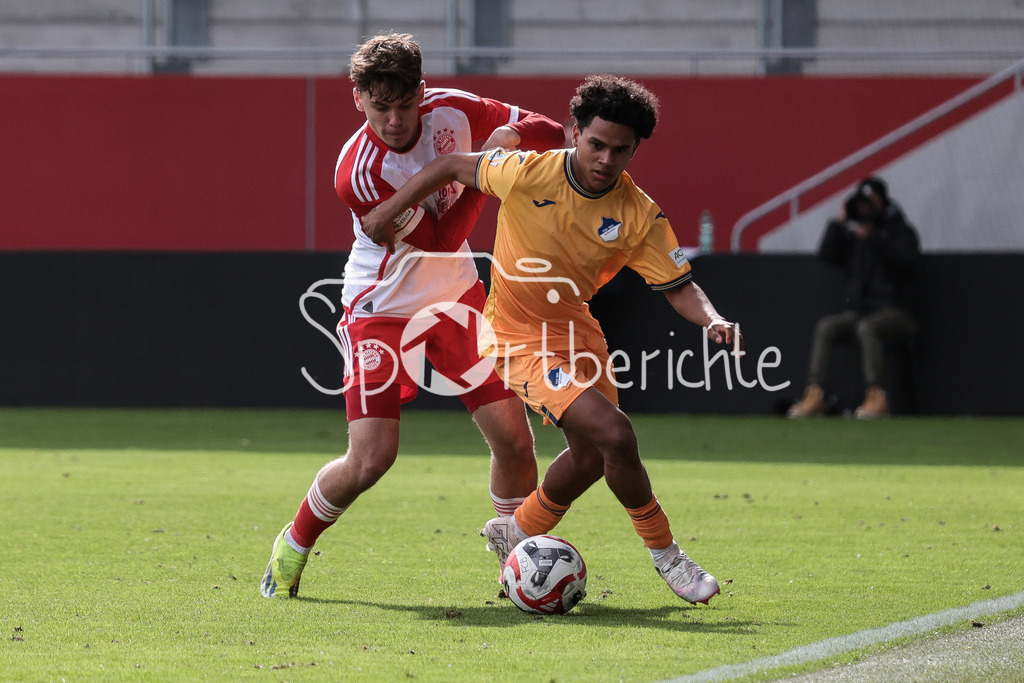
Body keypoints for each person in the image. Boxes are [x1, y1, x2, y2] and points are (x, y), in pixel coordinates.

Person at [362, 74, 740, 605]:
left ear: (635, 149)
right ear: (574, 132)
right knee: (616, 434)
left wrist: (713, 318)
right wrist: (386, 211)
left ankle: (517, 529)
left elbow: (679, 286)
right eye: (596, 144)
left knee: (591, 458)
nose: (606, 159)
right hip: (516, 336)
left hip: (578, 333)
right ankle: (668, 555)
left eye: (620, 150)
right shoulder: (526, 172)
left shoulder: (639, 214)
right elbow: (448, 166)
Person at [260, 33, 566, 598]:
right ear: (358, 98)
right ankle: (295, 543)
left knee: (515, 443)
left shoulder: (452, 108)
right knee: (372, 459)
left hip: (456, 300)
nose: (395, 121)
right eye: (381, 107)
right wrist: (479, 166)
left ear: (422, 92)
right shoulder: (357, 171)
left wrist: (507, 139)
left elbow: (552, 132)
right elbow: (443, 239)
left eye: (405, 105)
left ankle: (515, 567)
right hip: (382, 308)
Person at [788, 176, 921, 419]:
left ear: (883, 202)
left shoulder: (900, 232)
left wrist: (875, 239)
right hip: (861, 312)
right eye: (861, 203)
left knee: (867, 327)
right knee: (827, 326)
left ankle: (877, 395)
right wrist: (840, 222)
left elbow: (905, 263)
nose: (866, 208)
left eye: (871, 202)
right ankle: (815, 394)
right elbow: (827, 255)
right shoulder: (855, 237)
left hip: (897, 312)